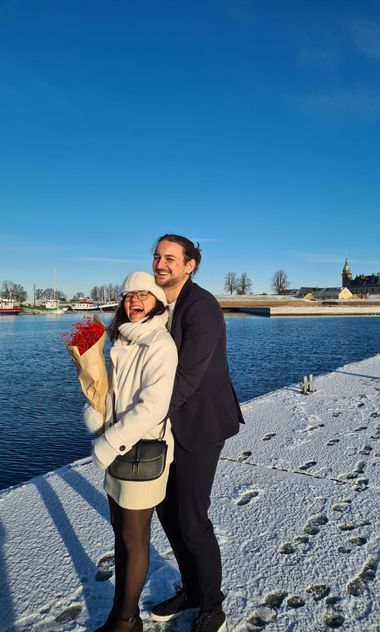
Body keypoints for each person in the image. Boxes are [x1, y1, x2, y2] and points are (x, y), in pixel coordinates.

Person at [150, 234, 244, 632]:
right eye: (157, 256)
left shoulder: (201, 306)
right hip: (170, 423)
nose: (160, 263)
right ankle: (191, 588)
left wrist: (149, 419)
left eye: (170, 258)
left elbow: (189, 375)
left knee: (191, 518)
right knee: (167, 512)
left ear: (190, 265)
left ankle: (213, 604)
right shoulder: (161, 304)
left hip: (199, 423)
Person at [85, 271, 178, 632]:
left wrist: (108, 443)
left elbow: (152, 408)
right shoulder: (124, 340)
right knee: (120, 534)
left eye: (144, 294)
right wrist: (99, 409)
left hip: (141, 452)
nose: (134, 300)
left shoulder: (159, 343)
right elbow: (117, 395)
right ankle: (122, 614)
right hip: (119, 449)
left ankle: (124, 620)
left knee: (134, 539)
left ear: (157, 302)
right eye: (128, 296)